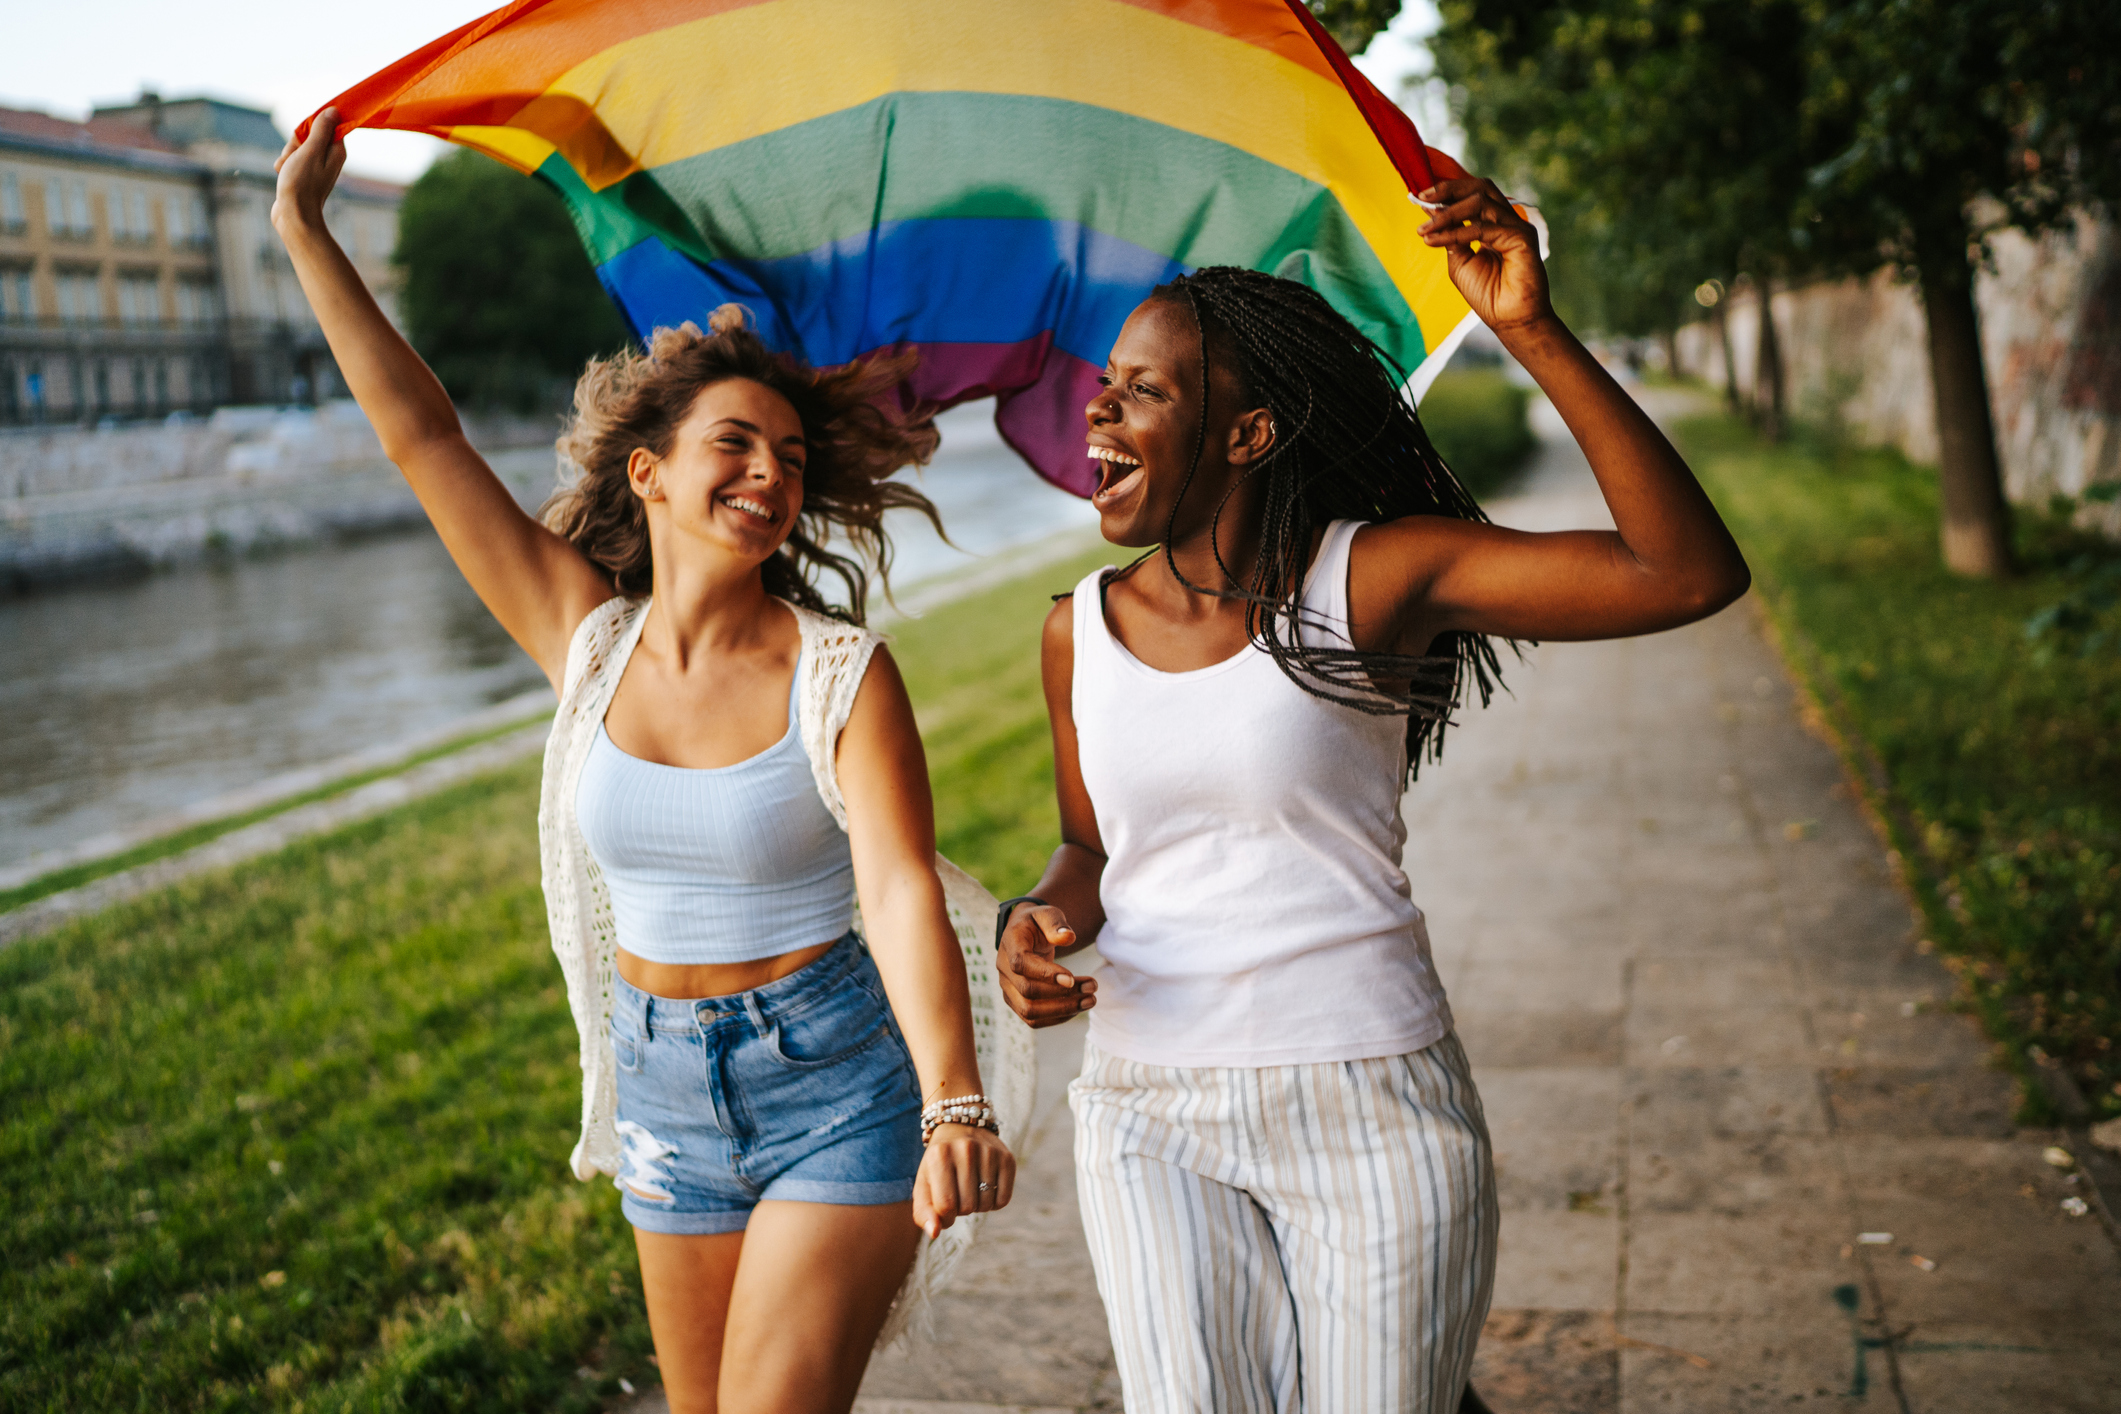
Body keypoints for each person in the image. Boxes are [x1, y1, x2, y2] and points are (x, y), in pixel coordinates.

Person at [273, 110, 1015, 1414]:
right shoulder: (587, 641)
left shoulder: (839, 674)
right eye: (734, 443)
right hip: (665, 1083)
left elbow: (897, 890)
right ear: (650, 472)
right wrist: (303, 230)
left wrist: (953, 1096)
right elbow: (426, 442)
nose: (768, 473)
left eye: (789, 458)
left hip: (836, 1080)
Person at [996, 177, 1751, 1411]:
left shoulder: (1372, 577)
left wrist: (1531, 331)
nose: (1101, 407)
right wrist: (1034, 920)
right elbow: (1088, 845)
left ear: (1244, 436)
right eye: (1107, 381)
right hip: (1148, 1106)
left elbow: (1683, 572)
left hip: (1367, 1096)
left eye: (1146, 388)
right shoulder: (1076, 630)